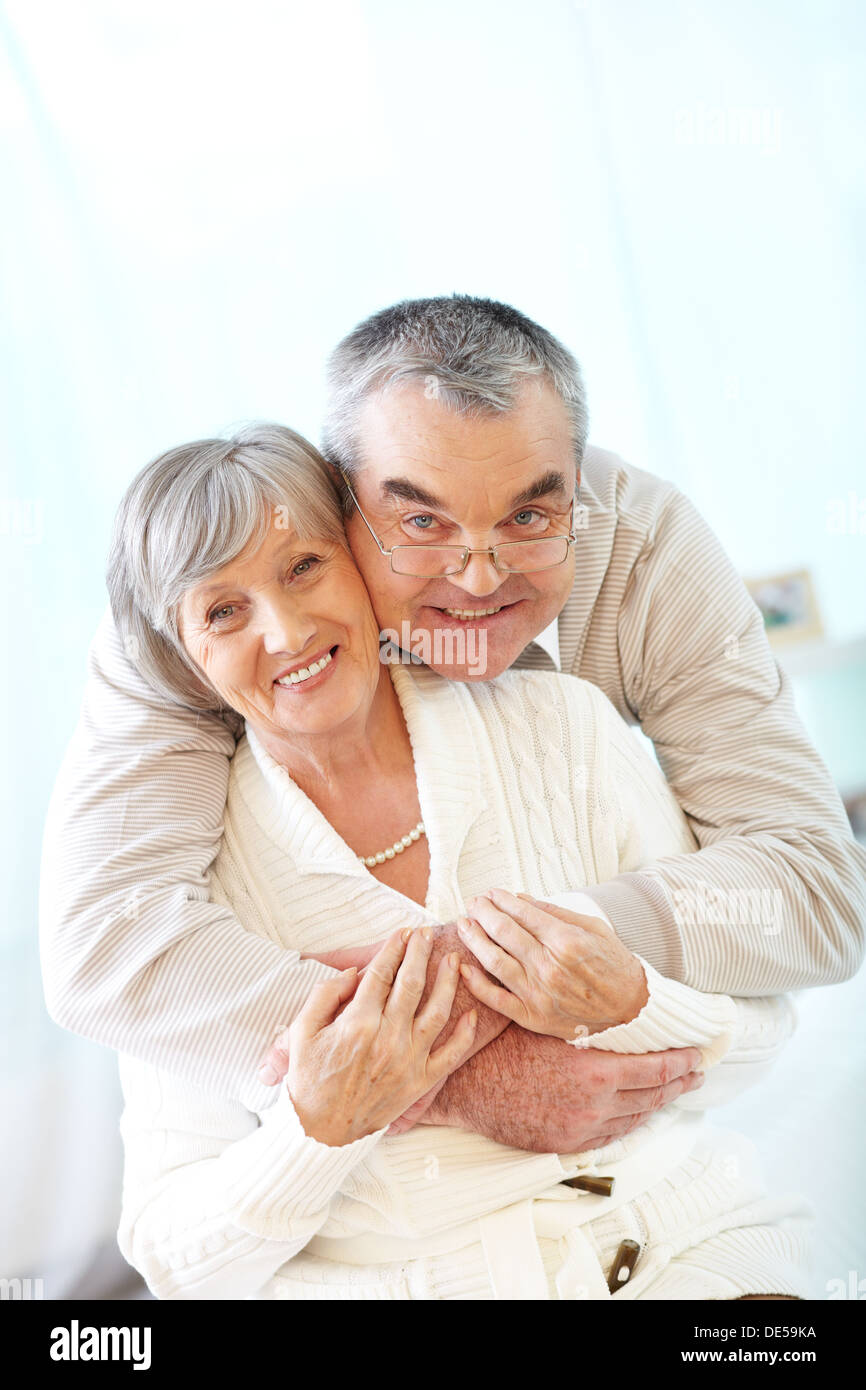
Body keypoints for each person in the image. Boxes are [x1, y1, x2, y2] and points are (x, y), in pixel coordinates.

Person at [40, 295, 866, 1154]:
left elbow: (817, 888)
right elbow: (103, 940)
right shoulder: (207, 620)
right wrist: (453, 1075)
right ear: (340, 502)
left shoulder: (646, 548)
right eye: (422, 522)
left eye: (528, 517)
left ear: (577, 487)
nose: (478, 579)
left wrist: (537, 957)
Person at [110, 425, 808, 1300]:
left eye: (304, 568)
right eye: (222, 611)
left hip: (682, 1245)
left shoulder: (564, 727)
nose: (285, 632)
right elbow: (171, 1257)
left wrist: (632, 1003)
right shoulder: (189, 891)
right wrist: (318, 1127)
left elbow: (762, 1042)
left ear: (363, 560)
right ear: (183, 657)